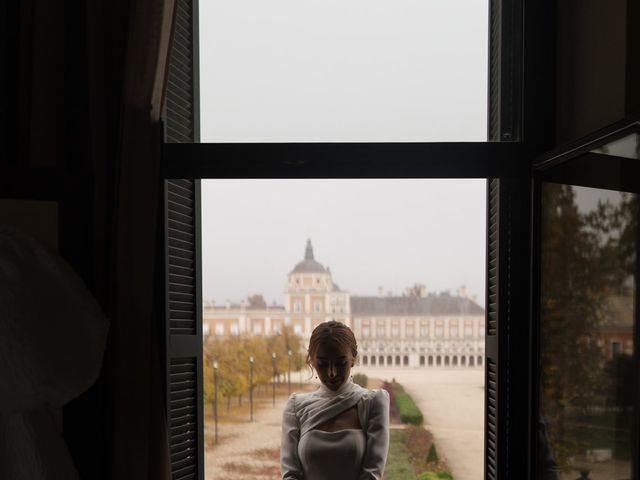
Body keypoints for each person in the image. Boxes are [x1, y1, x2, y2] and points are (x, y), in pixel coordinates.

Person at [280, 321, 390, 480]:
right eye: (323, 364)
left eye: (340, 363)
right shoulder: (295, 407)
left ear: (353, 359)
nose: (332, 373)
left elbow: (371, 475)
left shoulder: (373, 403)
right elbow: (290, 475)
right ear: (311, 361)